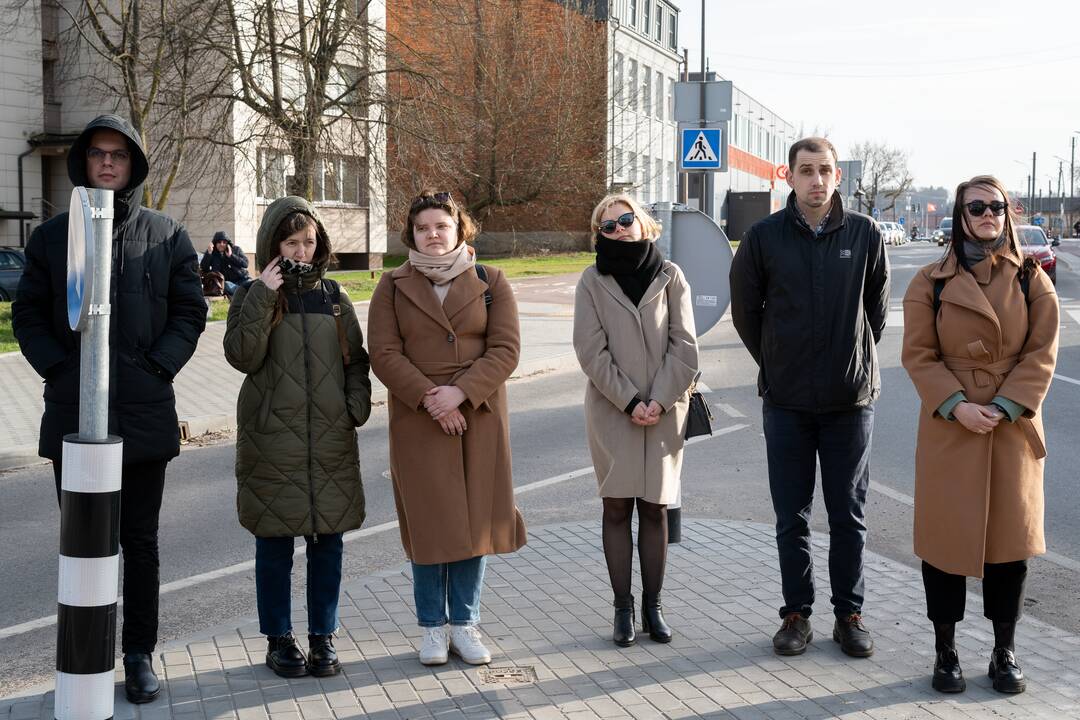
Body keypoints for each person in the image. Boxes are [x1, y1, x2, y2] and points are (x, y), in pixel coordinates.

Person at [11, 114, 206, 703]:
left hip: (143, 415)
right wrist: (63, 370)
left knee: (139, 542)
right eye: (97, 153)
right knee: (82, 542)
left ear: (133, 167)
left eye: (118, 156)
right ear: (82, 161)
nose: (106, 163)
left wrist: (155, 367)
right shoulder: (51, 239)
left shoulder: (168, 235)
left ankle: (138, 653)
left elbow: (190, 312)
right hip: (74, 418)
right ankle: (82, 656)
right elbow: (29, 316)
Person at [729, 136, 889, 659]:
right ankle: (796, 615)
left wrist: (852, 362)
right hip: (788, 403)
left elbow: (876, 313)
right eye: (806, 171)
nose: (816, 180)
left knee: (848, 514)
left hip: (850, 403)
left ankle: (850, 615)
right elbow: (746, 313)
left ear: (837, 176)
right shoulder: (764, 237)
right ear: (789, 176)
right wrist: (777, 362)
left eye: (824, 170)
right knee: (791, 516)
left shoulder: (865, 234)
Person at [901, 175, 1058, 695]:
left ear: (1006, 213)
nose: (987, 214)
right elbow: (918, 356)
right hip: (952, 428)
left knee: (1007, 550)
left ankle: (1003, 650)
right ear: (960, 214)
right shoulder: (931, 281)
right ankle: (945, 651)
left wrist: (1009, 403)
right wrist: (956, 406)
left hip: (1011, 428)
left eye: (996, 206)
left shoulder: (1032, 278)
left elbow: (1042, 353)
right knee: (945, 548)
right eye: (976, 206)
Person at [367, 190, 525, 667]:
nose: (432, 235)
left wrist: (460, 392)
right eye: (422, 228)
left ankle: (465, 623)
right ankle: (433, 628)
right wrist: (433, 400)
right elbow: (383, 353)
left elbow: (506, 349)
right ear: (411, 234)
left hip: (478, 414)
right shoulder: (392, 285)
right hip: (419, 418)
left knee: (474, 523)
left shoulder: (491, 280)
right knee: (429, 525)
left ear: (460, 230)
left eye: (441, 226)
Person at [223, 196, 371, 678]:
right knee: (275, 542)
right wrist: (265, 292)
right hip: (273, 441)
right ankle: (279, 639)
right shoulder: (251, 296)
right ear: (272, 244)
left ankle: (323, 637)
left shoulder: (334, 297)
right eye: (292, 242)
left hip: (329, 438)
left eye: (309, 241)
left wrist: (355, 406)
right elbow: (243, 355)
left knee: (328, 542)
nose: (302, 251)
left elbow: (356, 361)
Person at [572, 193, 699, 647]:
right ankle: (622, 609)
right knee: (617, 506)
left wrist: (659, 401)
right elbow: (590, 351)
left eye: (626, 220)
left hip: (665, 412)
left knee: (655, 507)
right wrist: (630, 402)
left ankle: (654, 607)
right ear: (599, 235)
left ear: (643, 223)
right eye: (608, 226)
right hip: (612, 411)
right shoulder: (591, 281)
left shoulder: (672, 276)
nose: (619, 229)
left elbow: (685, 346)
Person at [200, 230, 252, 296]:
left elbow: (245, 264)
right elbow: (204, 268)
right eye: (219, 242)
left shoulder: (236, 249)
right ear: (215, 243)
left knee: (251, 284)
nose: (222, 244)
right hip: (228, 283)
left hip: (242, 279)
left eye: (224, 242)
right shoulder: (212, 253)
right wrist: (208, 253)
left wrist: (231, 256)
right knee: (226, 286)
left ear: (227, 244)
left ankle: (242, 291)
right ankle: (243, 292)